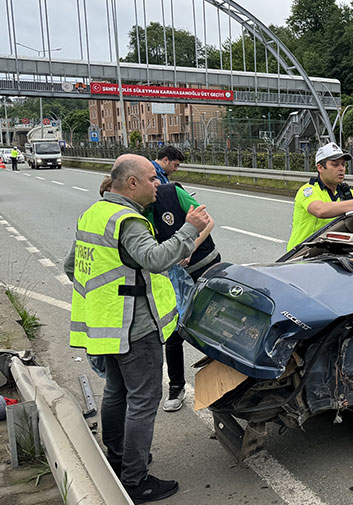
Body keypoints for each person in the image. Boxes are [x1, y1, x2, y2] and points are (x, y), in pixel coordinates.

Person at [63, 154, 210, 503]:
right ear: (132, 183)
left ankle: (116, 458)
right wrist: (189, 228)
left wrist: (106, 296)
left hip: (106, 323)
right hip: (135, 327)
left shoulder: (94, 214)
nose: (157, 184)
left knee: (116, 391)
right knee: (144, 400)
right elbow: (156, 259)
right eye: (151, 179)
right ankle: (135, 478)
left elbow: (72, 267)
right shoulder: (129, 220)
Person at [147, 180, 219, 412]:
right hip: (172, 278)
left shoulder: (171, 193)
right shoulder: (136, 212)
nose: (155, 184)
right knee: (174, 330)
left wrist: (191, 247)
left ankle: (224, 384)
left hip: (204, 267)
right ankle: (177, 386)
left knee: (214, 325)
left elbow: (208, 222)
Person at [287, 142, 353, 250]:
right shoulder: (308, 190)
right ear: (320, 168)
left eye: (343, 164)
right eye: (335, 165)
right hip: (300, 255)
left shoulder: (347, 192)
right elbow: (320, 210)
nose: (341, 169)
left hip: (328, 254)